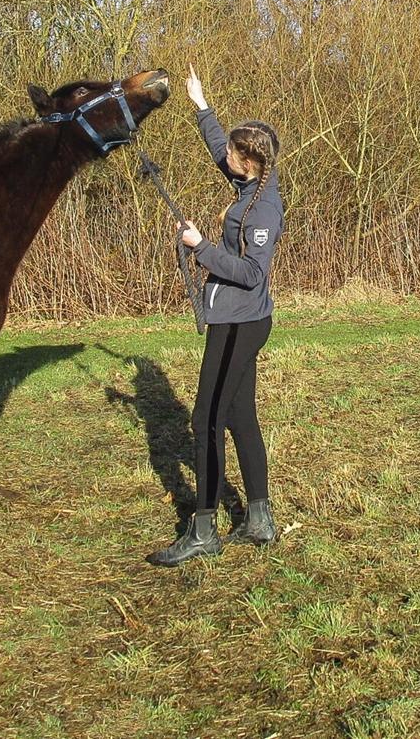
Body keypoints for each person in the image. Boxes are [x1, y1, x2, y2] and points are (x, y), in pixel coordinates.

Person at [147, 65, 284, 567]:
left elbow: (250, 272)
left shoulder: (264, 211)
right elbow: (216, 150)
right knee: (241, 415)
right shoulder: (250, 186)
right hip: (235, 317)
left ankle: (203, 528)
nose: (224, 156)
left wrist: (199, 246)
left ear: (251, 163)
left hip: (239, 323)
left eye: (233, 153)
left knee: (206, 417)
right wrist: (201, 105)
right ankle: (260, 520)